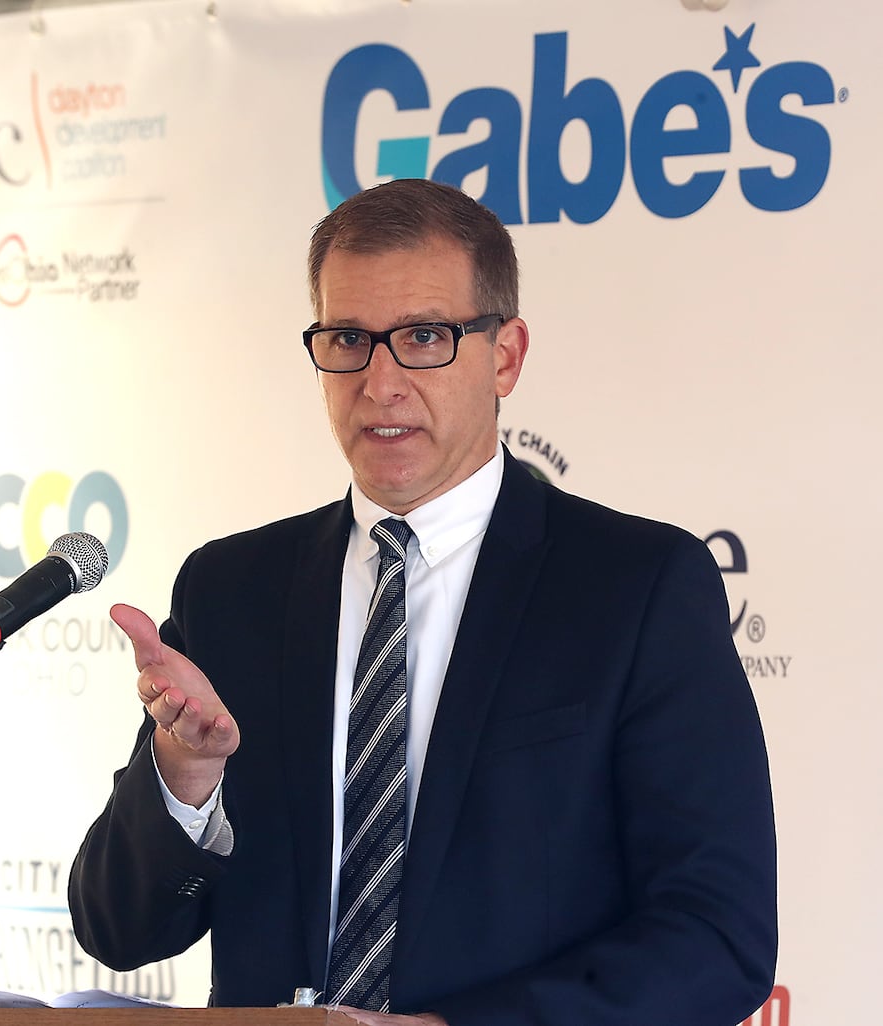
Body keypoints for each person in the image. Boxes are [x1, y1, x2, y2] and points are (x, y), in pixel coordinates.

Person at [68, 178, 776, 1025]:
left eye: (425, 338)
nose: (381, 381)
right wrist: (184, 778)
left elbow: (716, 937)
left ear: (505, 355)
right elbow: (118, 929)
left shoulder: (636, 585)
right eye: (348, 340)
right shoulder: (233, 589)